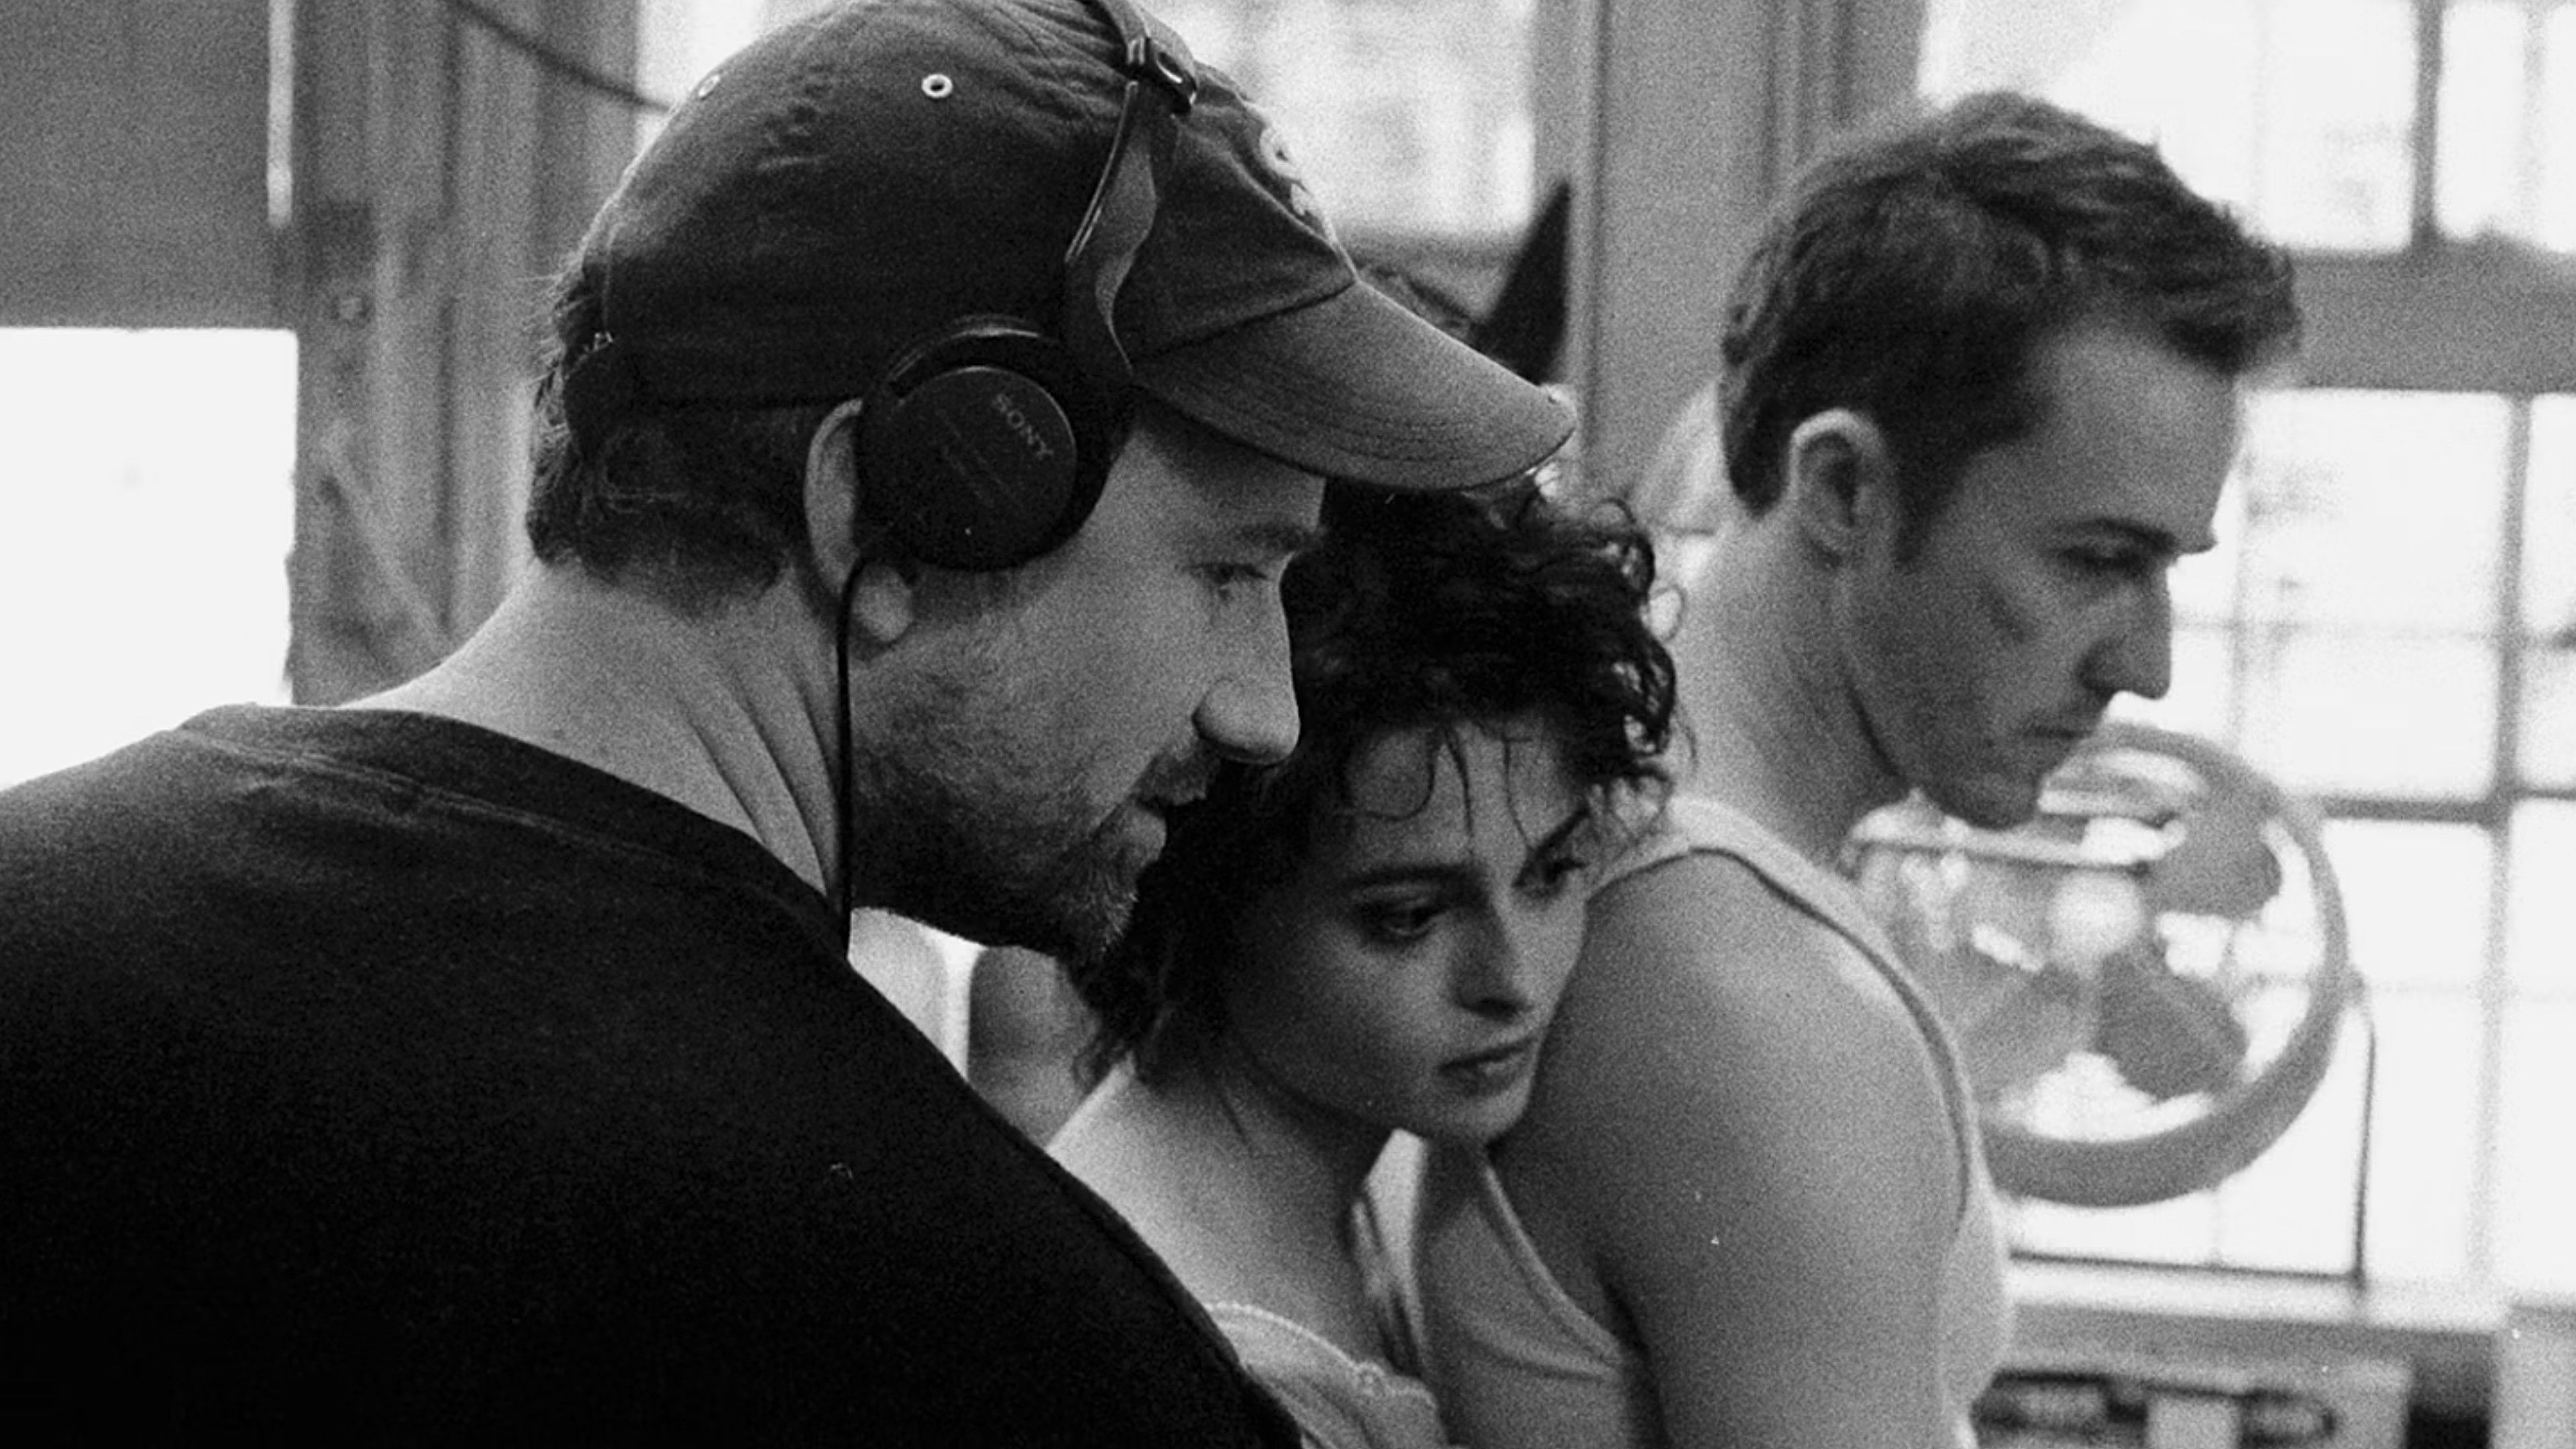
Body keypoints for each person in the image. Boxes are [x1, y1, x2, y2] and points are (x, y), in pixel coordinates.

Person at [0, 0, 1572, 1440]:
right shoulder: (986, 1335)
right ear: (895, 512)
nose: (1265, 712)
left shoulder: (38, 918)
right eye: (1229, 572)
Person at [1411, 91, 2302, 1449]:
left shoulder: (1659, 849)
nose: (2148, 665)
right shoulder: (1739, 988)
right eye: (2096, 560)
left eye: (2167, 569)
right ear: (1841, 490)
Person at [1050, 477, 1676, 1448]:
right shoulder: (1182, 1351)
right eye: (1409, 917)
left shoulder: (1346, 1179)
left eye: (1552, 874)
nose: (1514, 981)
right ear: (1209, 898)